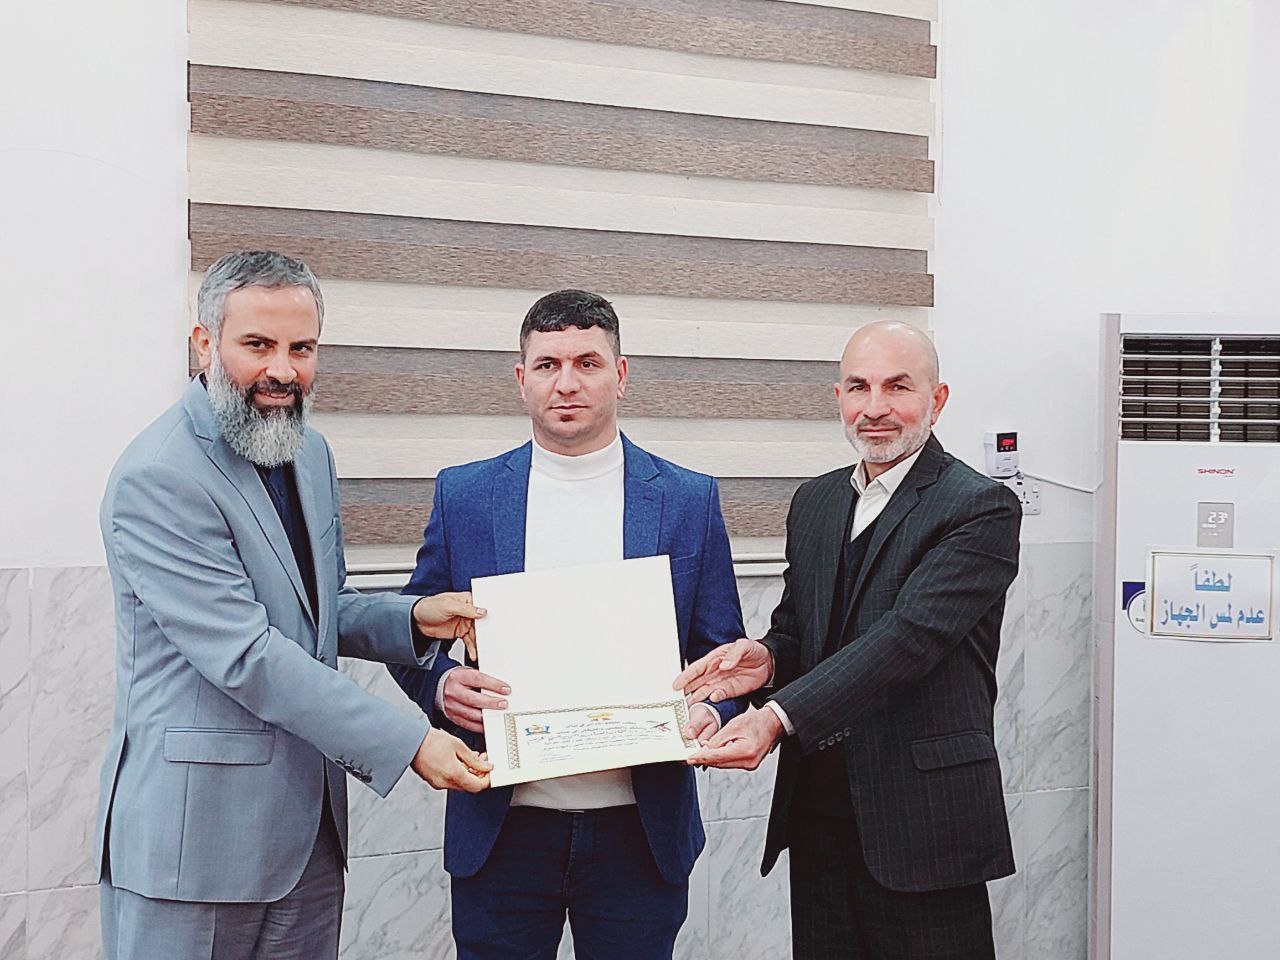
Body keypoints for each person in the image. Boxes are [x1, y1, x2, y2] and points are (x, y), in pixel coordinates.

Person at [95, 250, 492, 960]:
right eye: (258, 345)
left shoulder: (309, 453)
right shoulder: (159, 477)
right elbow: (247, 655)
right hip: (193, 851)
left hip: (308, 842)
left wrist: (412, 618)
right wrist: (410, 743)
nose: (282, 370)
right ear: (204, 344)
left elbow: (318, 608)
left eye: (301, 348)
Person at [391, 289, 745, 960]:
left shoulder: (687, 499)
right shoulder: (465, 495)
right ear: (521, 379)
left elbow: (723, 654)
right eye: (548, 365)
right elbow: (408, 632)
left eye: (587, 362)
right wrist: (440, 688)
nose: (567, 383)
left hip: (639, 831)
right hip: (503, 829)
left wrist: (711, 712)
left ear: (621, 374)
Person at [677, 321, 1021, 960]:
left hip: (925, 824)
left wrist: (775, 718)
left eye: (898, 386)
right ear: (838, 397)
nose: (875, 407)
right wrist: (766, 660)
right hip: (819, 817)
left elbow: (907, 640)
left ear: (938, 399)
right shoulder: (815, 502)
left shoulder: (980, 506)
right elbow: (801, 632)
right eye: (859, 387)